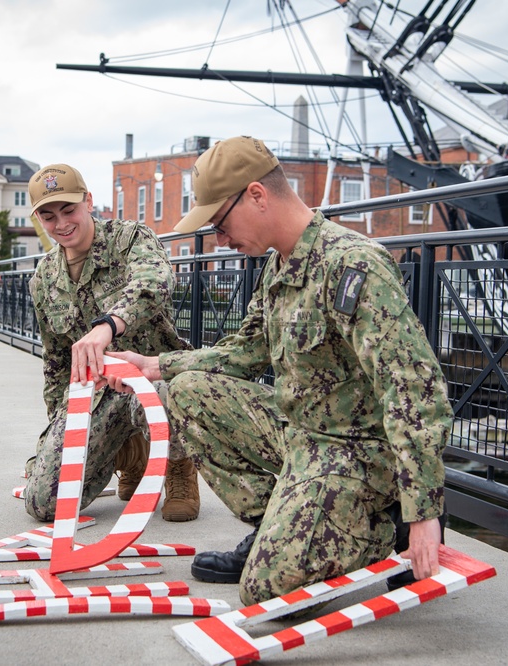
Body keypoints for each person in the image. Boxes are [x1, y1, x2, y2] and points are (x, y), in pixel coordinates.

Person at [107, 136, 452, 606]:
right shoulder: (278, 267)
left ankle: (381, 526)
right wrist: (156, 366)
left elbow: (413, 389)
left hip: (356, 453)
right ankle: (275, 525)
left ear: (256, 195)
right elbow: (247, 350)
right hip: (301, 435)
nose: (221, 240)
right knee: (185, 391)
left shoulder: (351, 266)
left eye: (220, 224)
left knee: (264, 591)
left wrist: (424, 509)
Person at [22, 162, 199, 523]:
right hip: (101, 392)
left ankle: (179, 466)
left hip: (154, 374)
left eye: (69, 209)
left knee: (170, 393)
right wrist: (55, 436)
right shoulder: (44, 277)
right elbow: (56, 363)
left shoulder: (130, 238)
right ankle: (131, 452)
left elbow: (156, 282)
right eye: (49, 216)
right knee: (43, 503)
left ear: (88, 201)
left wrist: (107, 326)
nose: (62, 223)